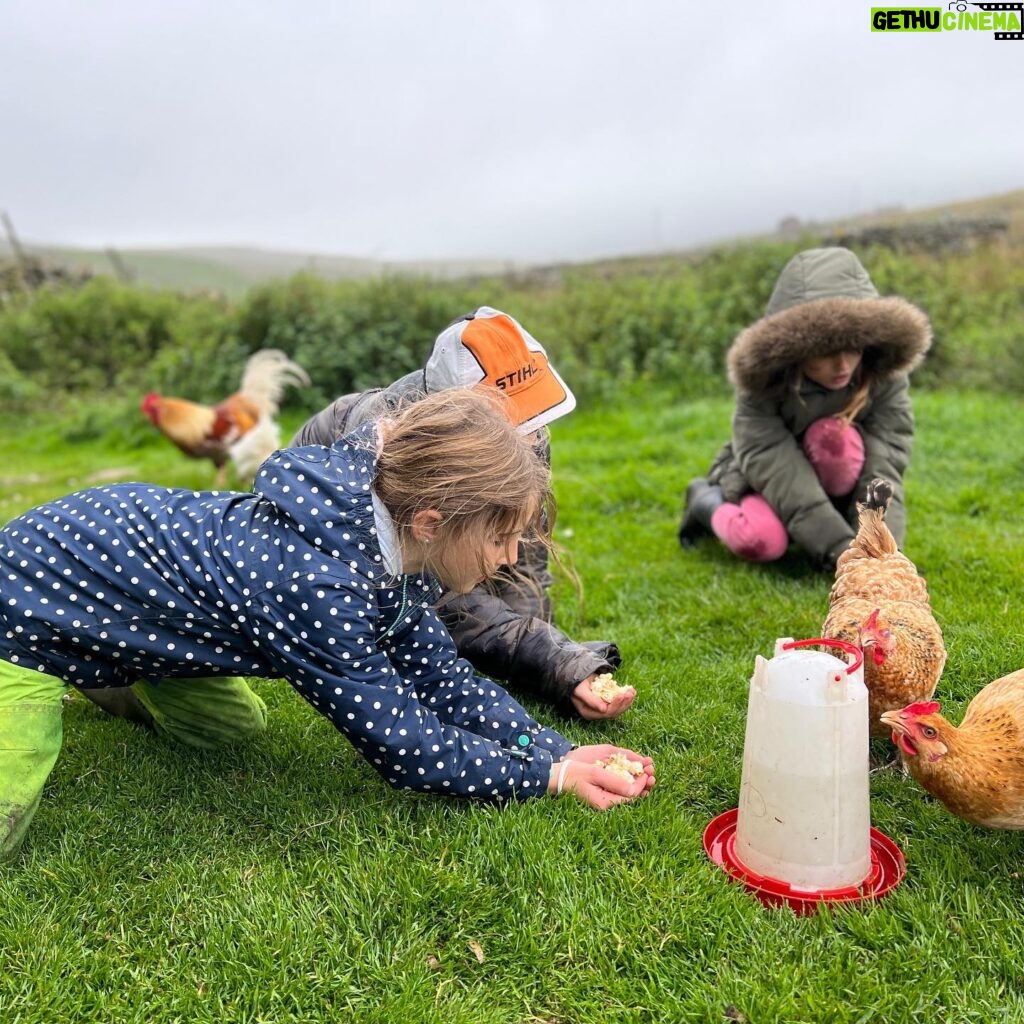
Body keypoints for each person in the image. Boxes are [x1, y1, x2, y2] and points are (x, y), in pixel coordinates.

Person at [0, 388, 655, 860]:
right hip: (34, 594)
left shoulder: (390, 533)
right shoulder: (321, 585)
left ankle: (115, 671)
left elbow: (438, 674)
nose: (511, 558)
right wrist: (548, 781)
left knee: (231, 729)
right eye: (502, 536)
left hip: (141, 605)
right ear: (432, 523)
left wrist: (553, 748)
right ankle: (65, 659)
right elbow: (406, 745)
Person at [290, 306, 633, 720]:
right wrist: (550, 660)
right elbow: (442, 597)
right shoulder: (390, 451)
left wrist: (548, 652)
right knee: (409, 613)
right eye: (514, 421)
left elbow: (522, 546)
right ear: (457, 409)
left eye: (534, 417)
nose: (531, 434)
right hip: (336, 533)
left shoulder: (528, 431)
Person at [678, 247, 932, 571]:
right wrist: (840, 550)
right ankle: (704, 501)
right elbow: (773, 462)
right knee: (760, 541)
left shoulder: (883, 375)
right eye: (825, 351)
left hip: (835, 475)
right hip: (766, 481)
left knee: (835, 441)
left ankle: (834, 523)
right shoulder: (763, 385)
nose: (842, 365)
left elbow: (885, 464)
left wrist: (881, 554)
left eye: (853, 346)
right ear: (797, 349)